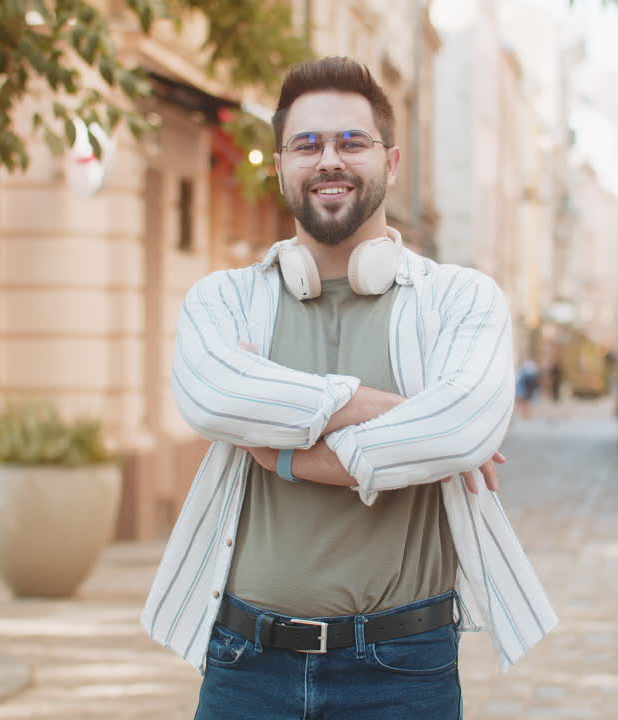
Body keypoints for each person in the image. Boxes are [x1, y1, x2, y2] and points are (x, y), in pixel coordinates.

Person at [141, 57, 556, 719]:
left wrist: (278, 449)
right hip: (246, 666)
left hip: (401, 671)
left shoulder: (459, 299)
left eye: (351, 142)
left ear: (391, 162)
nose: (328, 159)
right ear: (279, 165)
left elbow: (462, 430)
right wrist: (400, 417)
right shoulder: (222, 300)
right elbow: (212, 399)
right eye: (306, 144)